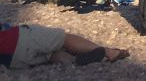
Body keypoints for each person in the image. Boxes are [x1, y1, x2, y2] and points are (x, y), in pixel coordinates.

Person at [0, 24, 130, 68]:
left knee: (50, 54)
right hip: (16, 39)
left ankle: (72, 60)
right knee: (63, 39)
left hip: (12, 61)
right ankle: (110, 52)